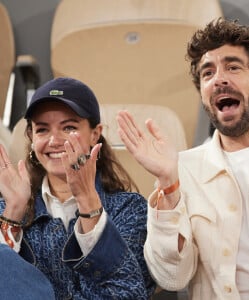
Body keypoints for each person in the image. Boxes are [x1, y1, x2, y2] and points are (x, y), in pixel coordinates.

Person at [116, 18, 249, 299]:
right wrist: (168, 184)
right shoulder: (183, 171)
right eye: (207, 73)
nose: (219, 79)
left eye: (233, 67)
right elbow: (172, 277)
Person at [0, 77, 155, 299]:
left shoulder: (129, 208)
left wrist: (87, 200)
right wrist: (13, 213)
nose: (55, 140)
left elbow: (128, 294)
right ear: (32, 139)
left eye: (69, 127)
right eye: (42, 130)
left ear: (95, 134)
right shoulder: (8, 211)